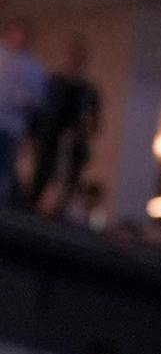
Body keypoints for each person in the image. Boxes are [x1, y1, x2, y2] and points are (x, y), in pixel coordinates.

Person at [31, 37, 101, 217]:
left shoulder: (88, 91)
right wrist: (35, 137)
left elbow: (94, 123)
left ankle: (58, 214)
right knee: (41, 178)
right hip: (50, 142)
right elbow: (42, 112)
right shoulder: (54, 83)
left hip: (75, 147)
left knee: (67, 185)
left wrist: (81, 131)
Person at [0, 19, 46, 209]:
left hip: (12, 127)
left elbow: (38, 100)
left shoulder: (33, 68)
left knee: (5, 170)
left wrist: (25, 100)